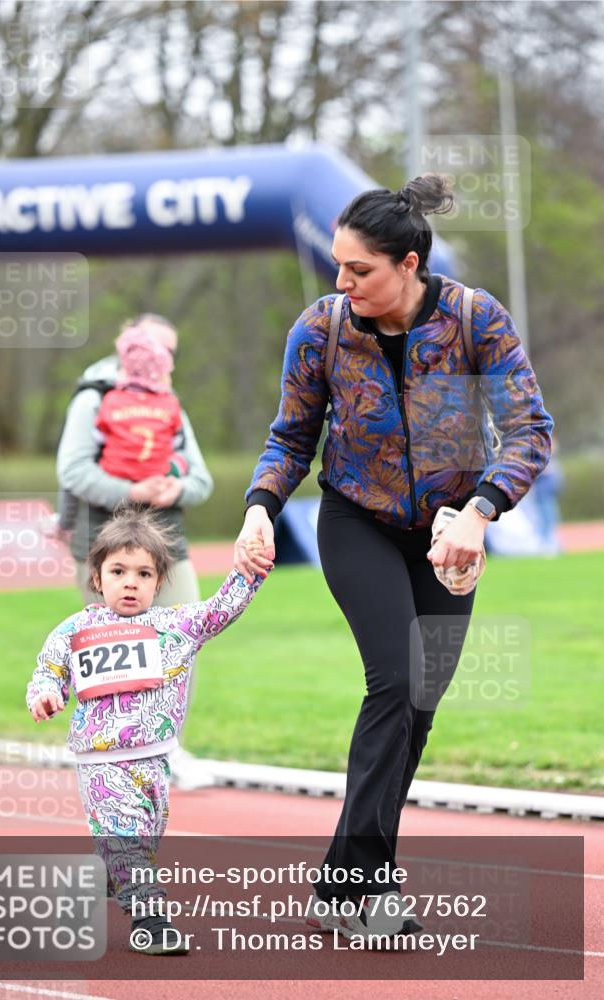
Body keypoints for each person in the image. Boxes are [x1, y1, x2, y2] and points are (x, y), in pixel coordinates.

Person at [234, 175, 553, 946]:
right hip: (358, 520)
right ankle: (367, 887)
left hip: (451, 531)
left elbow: (529, 430)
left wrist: (479, 513)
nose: (342, 284)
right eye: (337, 268)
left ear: (408, 263)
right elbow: (290, 437)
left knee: (418, 708)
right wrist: (258, 509)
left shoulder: (476, 318)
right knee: (395, 680)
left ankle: (340, 885)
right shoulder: (321, 328)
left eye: (359, 270)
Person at [27, 504, 269, 955]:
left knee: (145, 835)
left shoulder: (174, 626)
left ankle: (109, 872)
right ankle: (151, 920)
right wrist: (44, 694)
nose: (131, 582)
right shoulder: (76, 630)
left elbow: (222, 609)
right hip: (101, 760)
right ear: (97, 578)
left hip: (155, 759)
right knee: (126, 836)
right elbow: (49, 670)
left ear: (159, 582)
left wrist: (249, 573)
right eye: (118, 571)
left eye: (143, 573)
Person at [57, 313, 214, 788]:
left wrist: (173, 490)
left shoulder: (169, 402)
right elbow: (73, 472)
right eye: (155, 348)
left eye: (170, 351)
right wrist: (133, 489)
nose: (163, 360)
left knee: (181, 644)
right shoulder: (93, 398)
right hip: (104, 548)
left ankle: (169, 750)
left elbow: (202, 480)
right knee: (116, 654)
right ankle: (114, 757)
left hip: (166, 546)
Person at [96, 322, 188, 484]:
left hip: (114, 476)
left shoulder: (110, 398)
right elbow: (178, 443)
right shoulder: (170, 402)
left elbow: (98, 438)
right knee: (180, 461)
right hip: (160, 478)